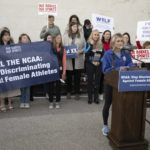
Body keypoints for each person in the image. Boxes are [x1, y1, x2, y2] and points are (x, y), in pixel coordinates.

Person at [101, 33, 133, 135]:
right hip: (110, 83)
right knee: (108, 103)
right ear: (113, 42)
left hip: (123, 82)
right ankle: (105, 125)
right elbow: (105, 69)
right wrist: (119, 69)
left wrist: (131, 65)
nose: (120, 43)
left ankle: (119, 124)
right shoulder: (108, 54)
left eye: (121, 41)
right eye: (118, 41)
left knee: (121, 104)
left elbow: (130, 63)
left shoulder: (126, 53)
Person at [63, 22, 85, 100]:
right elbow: (63, 46)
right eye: (73, 26)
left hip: (77, 60)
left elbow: (85, 47)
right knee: (68, 78)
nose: (75, 28)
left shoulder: (81, 36)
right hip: (69, 60)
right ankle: (68, 92)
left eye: (76, 26)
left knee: (77, 78)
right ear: (70, 27)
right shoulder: (65, 36)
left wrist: (80, 51)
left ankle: (77, 93)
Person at [0, 30, 20, 112]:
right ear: (2, 37)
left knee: (10, 87)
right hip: (2, 70)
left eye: (8, 35)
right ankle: (2, 104)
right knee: (2, 87)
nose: (7, 36)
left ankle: (10, 103)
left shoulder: (12, 46)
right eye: (5, 35)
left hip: (10, 69)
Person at [84, 29, 104, 104]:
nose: (96, 36)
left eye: (97, 35)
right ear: (92, 35)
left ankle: (96, 98)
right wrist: (91, 45)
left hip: (98, 65)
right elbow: (86, 56)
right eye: (95, 34)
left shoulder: (101, 44)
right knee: (90, 81)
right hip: (90, 64)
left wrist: (99, 61)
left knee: (97, 82)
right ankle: (90, 98)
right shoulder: (88, 43)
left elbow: (103, 55)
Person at [48, 34, 66, 109]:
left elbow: (64, 61)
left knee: (58, 87)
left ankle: (57, 101)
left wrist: (64, 72)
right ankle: (51, 102)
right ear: (55, 39)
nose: (59, 39)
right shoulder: (50, 48)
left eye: (60, 38)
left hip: (59, 70)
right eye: (58, 38)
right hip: (51, 70)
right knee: (50, 87)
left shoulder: (63, 49)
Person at [18, 33, 31, 108]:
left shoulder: (31, 47)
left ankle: (27, 101)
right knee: (22, 87)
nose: (25, 39)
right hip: (21, 69)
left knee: (27, 86)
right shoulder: (17, 47)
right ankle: (22, 101)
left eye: (26, 38)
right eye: (23, 38)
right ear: (20, 40)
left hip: (28, 69)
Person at [43, 33, 53, 98]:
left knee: (51, 80)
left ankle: (51, 93)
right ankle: (46, 93)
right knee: (46, 80)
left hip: (52, 65)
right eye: (48, 38)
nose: (50, 39)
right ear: (46, 39)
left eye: (51, 38)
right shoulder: (42, 46)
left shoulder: (54, 45)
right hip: (45, 65)